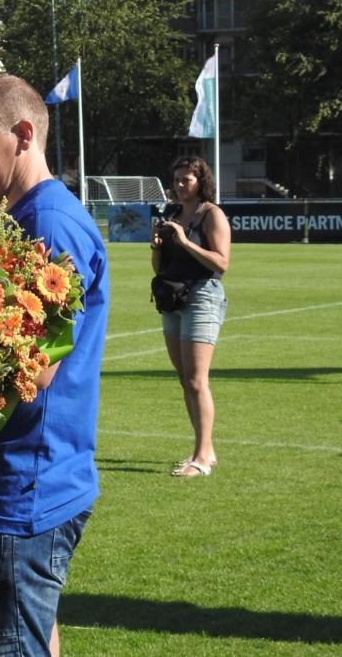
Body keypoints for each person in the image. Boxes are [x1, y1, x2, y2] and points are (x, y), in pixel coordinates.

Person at [0, 74, 109, 657]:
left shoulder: (48, 223)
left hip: (19, 489)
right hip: (15, 483)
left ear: (21, 134)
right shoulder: (28, 215)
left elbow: (31, 370)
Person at [151, 156, 230, 478]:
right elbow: (159, 267)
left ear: (201, 181)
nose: (181, 185)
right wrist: (157, 246)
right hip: (172, 298)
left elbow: (221, 263)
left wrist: (183, 240)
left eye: (187, 179)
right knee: (185, 379)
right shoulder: (170, 214)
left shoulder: (211, 214)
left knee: (198, 380)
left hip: (202, 296)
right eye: (177, 179)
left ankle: (201, 457)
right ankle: (204, 449)